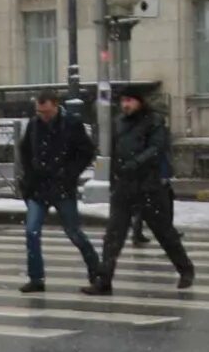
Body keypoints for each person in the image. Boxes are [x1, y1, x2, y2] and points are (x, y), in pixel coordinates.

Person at [90, 89, 196, 294]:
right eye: (123, 101)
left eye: (129, 100)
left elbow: (156, 149)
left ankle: (185, 269)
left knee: (164, 232)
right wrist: (114, 178)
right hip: (124, 187)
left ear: (139, 102)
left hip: (149, 186)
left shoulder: (154, 121)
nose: (125, 105)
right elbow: (112, 151)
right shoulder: (119, 122)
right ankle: (104, 281)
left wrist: (135, 163)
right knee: (113, 235)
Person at [13, 91, 104, 292]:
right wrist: (29, 176)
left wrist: (70, 173)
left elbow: (87, 151)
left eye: (45, 111)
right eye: (39, 111)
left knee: (73, 232)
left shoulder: (71, 123)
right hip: (39, 186)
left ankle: (96, 270)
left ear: (55, 105)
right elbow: (25, 150)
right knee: (31, 231)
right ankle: (36, 278)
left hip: (62, 186)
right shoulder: (34, 125)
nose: (42, 115)